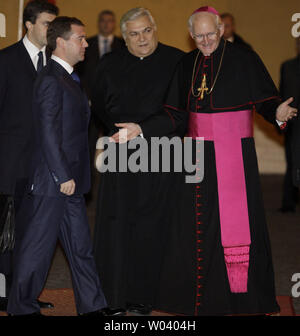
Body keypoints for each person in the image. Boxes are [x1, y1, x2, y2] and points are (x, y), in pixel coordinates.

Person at [156, 6, 297, 316]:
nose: (205, 40)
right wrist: (144, 129)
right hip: (196, 154)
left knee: (238, 223)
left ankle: (242, 298)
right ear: (191, 36)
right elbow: (174, 114)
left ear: (221, 31)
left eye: (211, 34)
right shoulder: (186, 63)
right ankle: (195, 298)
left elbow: (265, 97)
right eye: (199, 36)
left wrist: (277, 112)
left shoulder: (243, 58)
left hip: (235, 152)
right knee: (196, 223)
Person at [7, 16, 125, 316]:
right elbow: (47, 132)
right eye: (80, 38)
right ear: (61, 42)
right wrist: (61, 175)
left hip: (68, 179)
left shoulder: (68, 78)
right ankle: (21, 308)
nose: (86, 43)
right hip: (53, 180)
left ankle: (93, 306)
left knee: (80, 247)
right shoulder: (50, 79)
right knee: (38, 248)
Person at [92, 7, 185, 315]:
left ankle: (145, 298)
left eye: (147, 30)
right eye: (134, 34)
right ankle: (114, 298)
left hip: (162, 154)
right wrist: (119, 130)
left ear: (155, 27)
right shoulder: (109, 63)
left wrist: (143, 130)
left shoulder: (178, 62)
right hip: (120, 153)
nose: (142, 38)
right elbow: (100, 105)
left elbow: (183, 114)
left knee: (153, 227)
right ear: (125, 36)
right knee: (116, 226)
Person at [0, 0, 58, 312]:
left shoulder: (55, 63)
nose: (52, 30)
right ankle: (3, 294)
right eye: (47, 23)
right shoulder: (6, 60)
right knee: (6, 236)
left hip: (44, 168)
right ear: (29, 25)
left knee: (32, 236)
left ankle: (23, 295)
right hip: (10, 165)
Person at [279, 37, 300, 213]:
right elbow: (283, 93)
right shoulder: (288, 66)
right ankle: (289, 200)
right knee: (292, 161)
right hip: (293, 122)